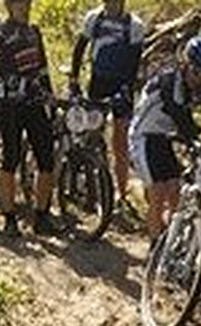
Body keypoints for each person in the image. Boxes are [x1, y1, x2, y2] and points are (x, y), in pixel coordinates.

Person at [129, 35, 201, 239]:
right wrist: (196, 138)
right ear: (185, 64)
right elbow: (178, 113)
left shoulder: (186, 86)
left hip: (163, 139)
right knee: (158, 193)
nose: (199, 78)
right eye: (196, 72)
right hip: (143, 137)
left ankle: (169, 241)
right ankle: (154, 246)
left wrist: (199, 140)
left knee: (176, 190)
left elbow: (186, 119)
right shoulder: (170, 80)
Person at [0, 0, 55, 236]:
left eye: (27, 3)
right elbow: (6, 73)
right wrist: (33, 87)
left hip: (34, 104)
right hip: (8, 105)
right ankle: (9, 217)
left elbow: (43, 68)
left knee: (47, 159)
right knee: (11, 158)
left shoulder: (34, 32)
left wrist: (51, 97)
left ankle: (42, 216)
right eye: (20, 4)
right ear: (9, 6)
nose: (25, 8)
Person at [68, 0, 145, 206]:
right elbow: (80, 47)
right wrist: (74, 79)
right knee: (92, 133)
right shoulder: (95, 18)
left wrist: (128, 89)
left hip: (121, 85)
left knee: (120, 141)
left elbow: (136, 62)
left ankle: (121, 193)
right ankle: (90, 184)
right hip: (98, 81)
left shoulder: (134, 24)